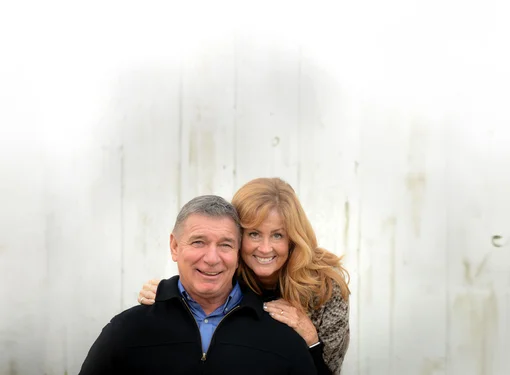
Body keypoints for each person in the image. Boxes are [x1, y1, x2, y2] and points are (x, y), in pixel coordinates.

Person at [79, 195, 317, 375]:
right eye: (198, 242)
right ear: (174, 247)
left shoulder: (282, 336)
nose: (212, 258)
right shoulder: (126, 330)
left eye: (225, 245)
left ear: (238, 253)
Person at [139, 178, 350, 374]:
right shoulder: (226, 272)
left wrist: (311, 338)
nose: (265, 249)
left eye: (277, 235)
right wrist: (169, 293)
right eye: (254, 234)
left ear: (293, 238)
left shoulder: (325, 287)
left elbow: (331, 371)